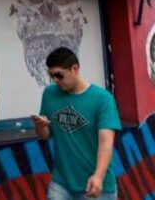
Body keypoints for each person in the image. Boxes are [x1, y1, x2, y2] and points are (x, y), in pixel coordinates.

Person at [32, 47, 121, 199]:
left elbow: (106, 141)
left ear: (75, 69)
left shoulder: (102, 99)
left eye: (59, 75)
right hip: (61, 182)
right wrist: (41, 127)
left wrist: (98, 176)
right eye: (51, 75)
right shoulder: (49, 93)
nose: (55, 80)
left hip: (93, 184)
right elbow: (45, 135)